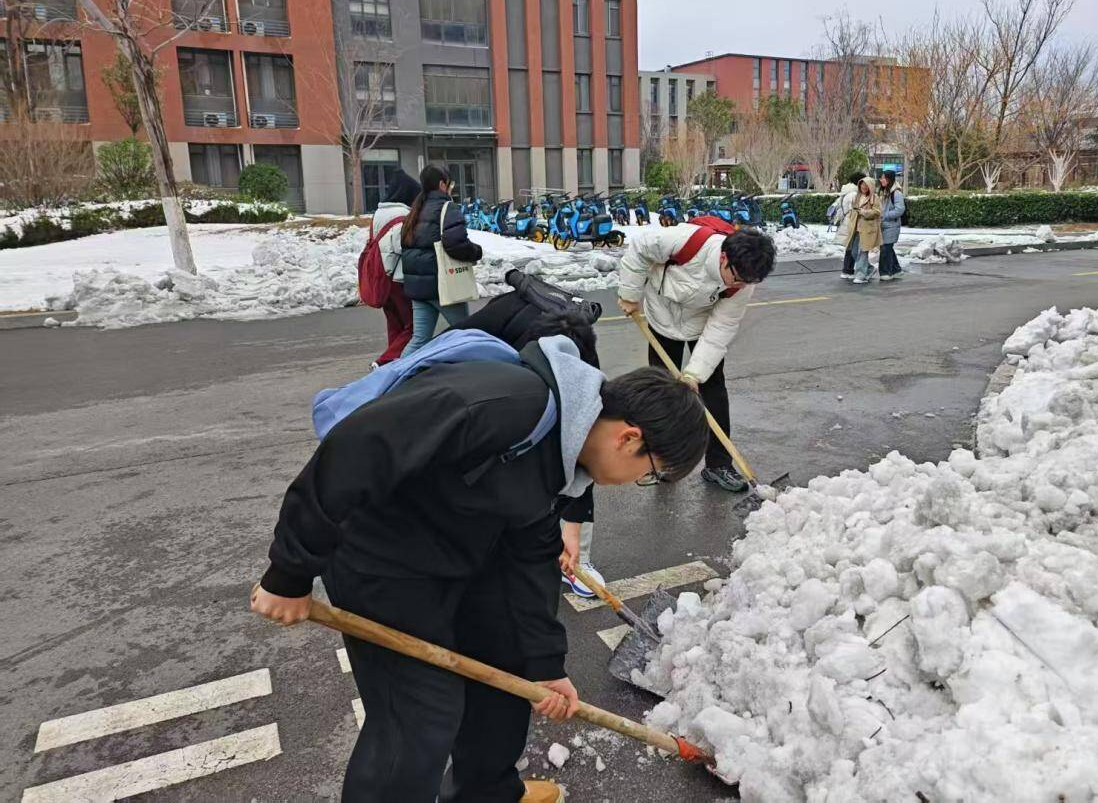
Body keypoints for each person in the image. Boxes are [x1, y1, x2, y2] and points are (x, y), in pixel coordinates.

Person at [252, 344, 709, 802]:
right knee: (421, 710)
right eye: (651, 473)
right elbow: (356, 448)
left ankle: (485, 793)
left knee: (505, 660)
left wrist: (545, 665)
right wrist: (290, 572)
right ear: (629, 439)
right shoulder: (501, 407)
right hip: (378, 556)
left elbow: (531, 555)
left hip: (452, 551)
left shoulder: (564, 454)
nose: (638, 483)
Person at [450, 271, 607, 599]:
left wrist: (574, 534)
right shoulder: (487, 332)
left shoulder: (582, 364)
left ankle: (576, 559)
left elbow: (583, 451)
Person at [617, 223, 777, 492]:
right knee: (662, 394)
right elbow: (640, 248)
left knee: (713, 391)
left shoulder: (743, 283)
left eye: (746, 282)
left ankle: (718, 465)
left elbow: (720, 329)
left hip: (700, 325)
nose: (739, 285)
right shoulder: (686, 241)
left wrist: (694, 374)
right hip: (661, 317)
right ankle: (664, 461)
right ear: (725, 257)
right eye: (736, 277)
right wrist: (629, 293)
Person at [400, 165, 483, 359]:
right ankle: (476, 375)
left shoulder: (415, 210)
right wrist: (475, 252)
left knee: (419, 339)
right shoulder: (447, 208)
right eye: (449, 183)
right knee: (467, 333)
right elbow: (455, 243)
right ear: (442, 184)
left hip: (418, 287)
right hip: (442, 285)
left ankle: (392, 377)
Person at [369, 172, 422, 367]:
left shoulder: (378, 214)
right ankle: (384, 362)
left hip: (381, 276)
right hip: (398, 278)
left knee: (394, 324)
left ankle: (394, 363)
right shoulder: (402, 216)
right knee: (413, 325)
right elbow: (402, 246)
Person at [838, 177, 881, 285]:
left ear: (870, 187)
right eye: (862, 185)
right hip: (855, 228)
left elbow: (877, 212)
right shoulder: (857, 197)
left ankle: (860, 276)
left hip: (867, 229)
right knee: (853, 251)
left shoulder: (874, 198)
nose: (864, 187)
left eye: (866, 185)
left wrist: (864, 212)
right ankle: (870, 269)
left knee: (863, 252)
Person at [831, 170, 867, 278]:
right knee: (853, 247)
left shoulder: (846, 192)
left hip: (847, 221)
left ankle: (847, 270)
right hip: (852, 222)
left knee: (850, 247)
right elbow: (856, 210)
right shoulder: (854, 194)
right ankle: (848, 270)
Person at [877, 170, 905, 282]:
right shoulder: (884, 192)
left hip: (891, 226)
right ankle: (896, 270)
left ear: (889, 179)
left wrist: (885, 216)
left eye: (883, 178)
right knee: (888, 249)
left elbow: (900, 209)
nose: (881, 180)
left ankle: (885, 273)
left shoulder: (896, 193)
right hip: (884, 225)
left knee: (885, 249)